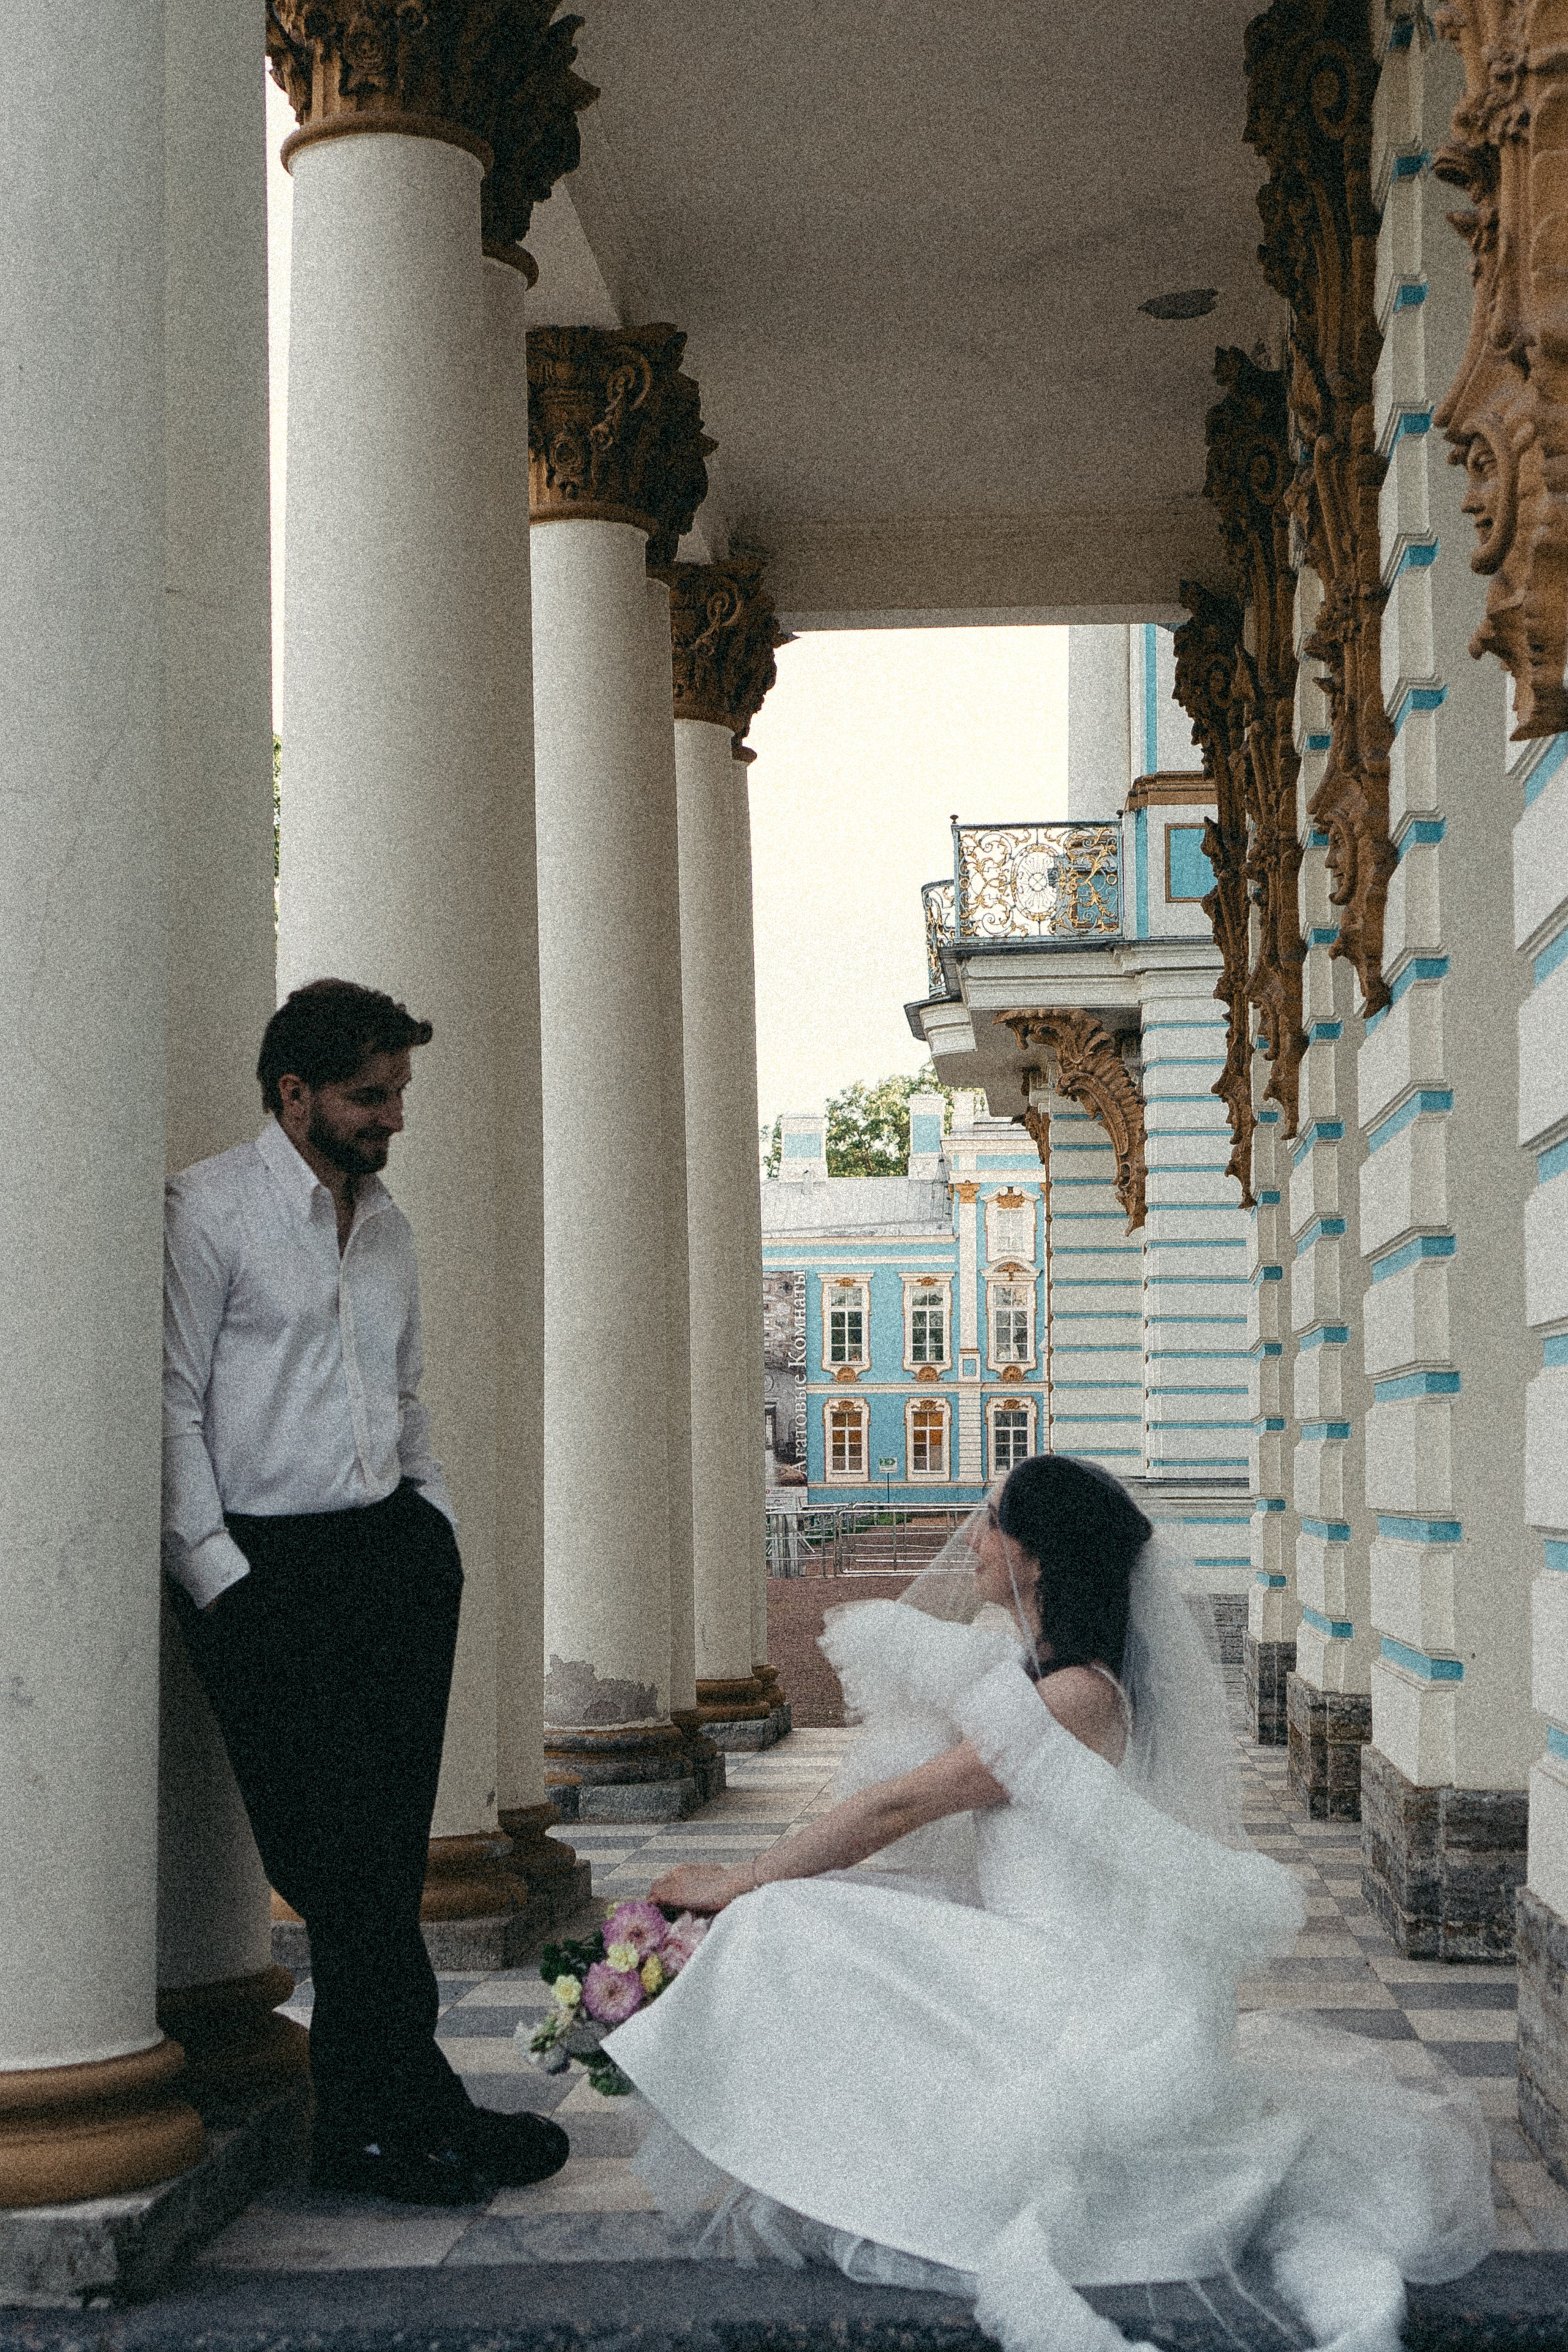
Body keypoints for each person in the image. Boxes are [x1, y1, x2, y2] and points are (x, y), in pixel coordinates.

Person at [603, 1453, 1493, 2352]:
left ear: (1037, 1556)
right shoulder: (1047, 1672)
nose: (973, 1539)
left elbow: (899, 1804)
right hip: (1026, 1942)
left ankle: (843, 2168)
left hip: (1061, 1977)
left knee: (781, 1921)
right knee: (843, 1910)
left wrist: (741, 1879)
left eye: (991, 1520)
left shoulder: (1069, 1697)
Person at [162, 978, 568, 2206]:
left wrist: (428, 1522)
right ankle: (380, 2118)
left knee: (383, 1864)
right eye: (367, 1095)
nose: (392, 1118)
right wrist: (221, 1576)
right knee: (335, 1863)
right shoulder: (208, 1211)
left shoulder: (384, 1224)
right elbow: (171, 1400)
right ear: (295, 1094)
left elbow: (402, 1394)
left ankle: (394, 2113)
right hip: (265, 1575)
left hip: (388, 1561)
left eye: (396, 1094)